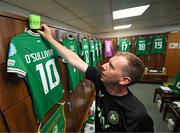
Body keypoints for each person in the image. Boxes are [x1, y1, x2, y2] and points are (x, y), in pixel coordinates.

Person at [38, 24, 154, 132]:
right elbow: (74, 59)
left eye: (111, 67)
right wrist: (50, 39)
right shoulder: (102, 79)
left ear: (124, 80)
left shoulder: (136, 115)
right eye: (108, 62)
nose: (103, 66)